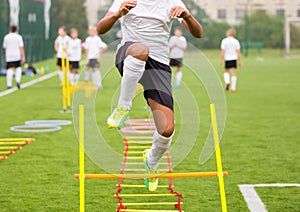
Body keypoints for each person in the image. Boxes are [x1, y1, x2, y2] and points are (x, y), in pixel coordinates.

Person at [97, 0, 202, 192]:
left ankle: (151, 160)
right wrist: (117, 14)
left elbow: (198, 33)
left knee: (167, 129)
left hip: (159, 67)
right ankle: (123, 107)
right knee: (141, 49)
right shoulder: (126, 1)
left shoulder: (172, 2)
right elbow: (101, 28)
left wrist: (187, 16)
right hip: (130, 53)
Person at [2, 25, 25, 89]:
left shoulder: (6, 37)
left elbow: (5, 47)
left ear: (10, 29)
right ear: (16, 30)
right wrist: (23, 56)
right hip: (17, 55)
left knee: (10, 69)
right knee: (18, 67)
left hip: (9, 55)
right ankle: (17, 80)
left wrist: (6, 54)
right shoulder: (19, 37)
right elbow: (21, 47)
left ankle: (9, 84)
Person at [220, 28, 242, 92]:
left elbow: (223, 51)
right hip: (234, 58)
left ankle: (227, 82)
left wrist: (221, 60)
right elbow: (238, 52)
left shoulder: (224, 41)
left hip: (227, 58)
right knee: (233, 72)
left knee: (226, 71)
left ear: (228, 33)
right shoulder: (236, 41)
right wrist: (240, 61)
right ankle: (233, 88)